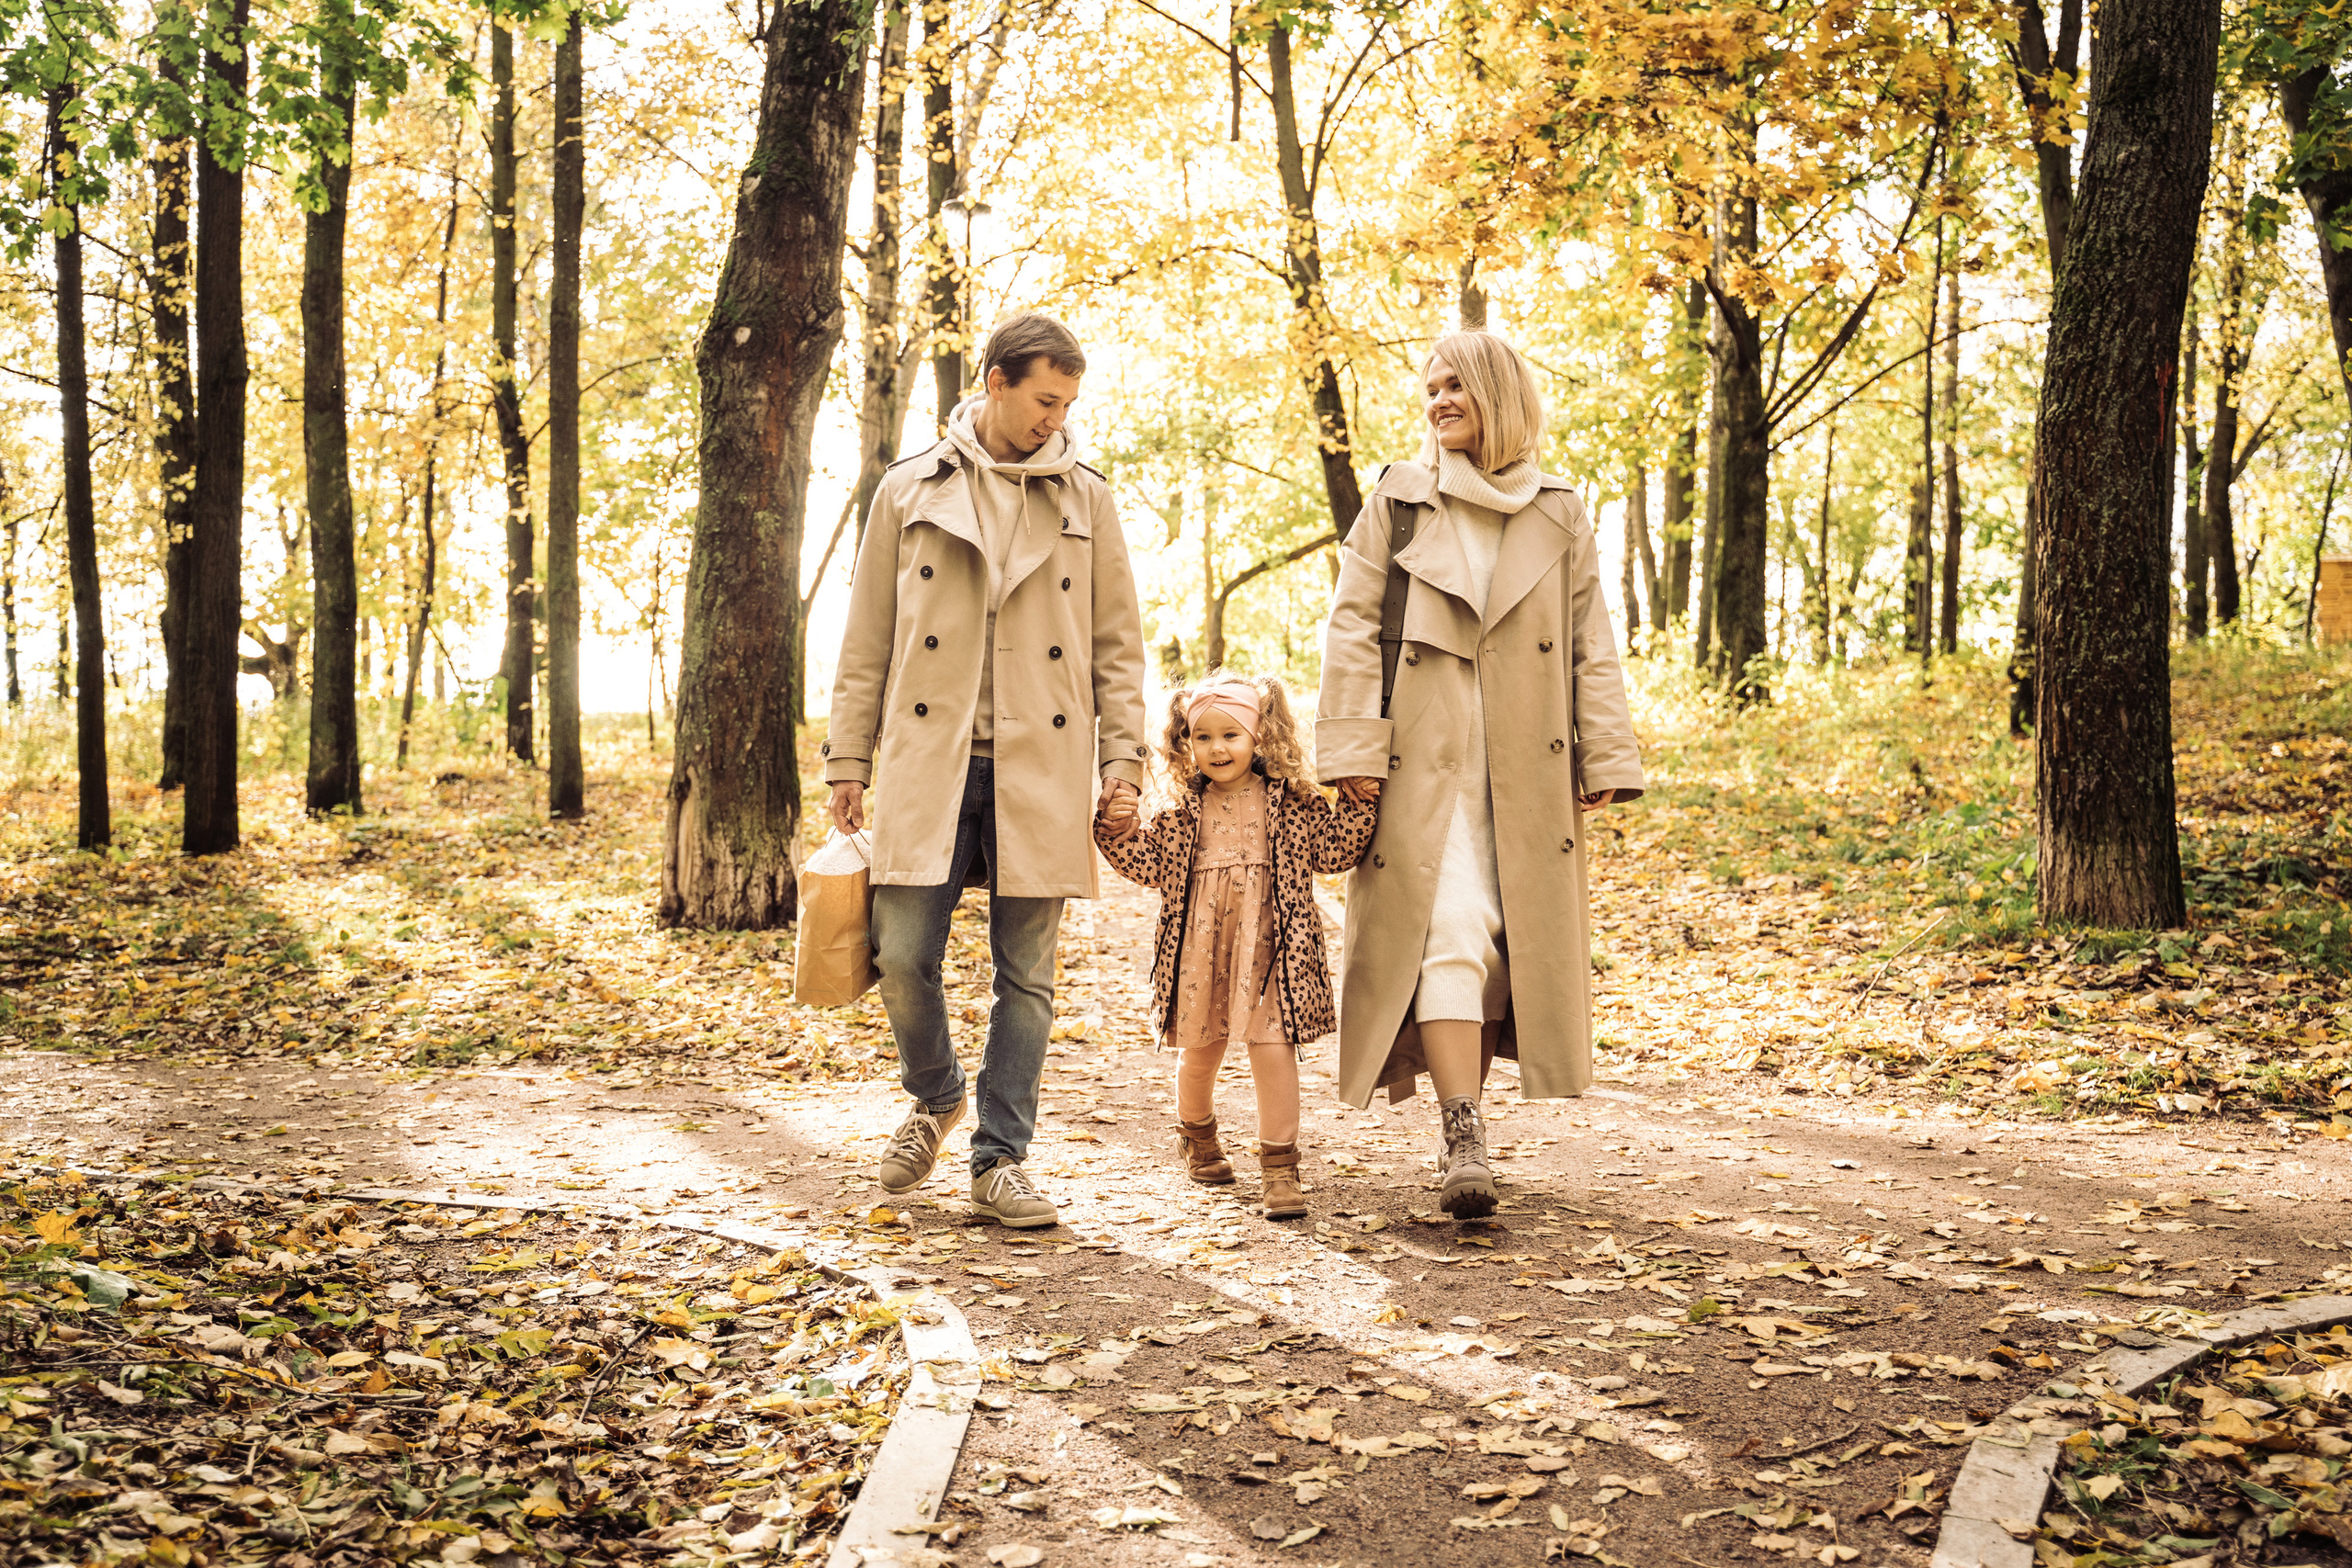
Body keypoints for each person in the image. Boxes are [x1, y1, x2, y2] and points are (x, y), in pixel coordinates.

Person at [825, 310, 1149, 1231]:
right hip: (930, 759)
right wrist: (848, 757)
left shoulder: (1087, 497)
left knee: (1028, 978)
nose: (1057, 417)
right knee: (900, 957)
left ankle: (999, 1162)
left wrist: (1122, 763)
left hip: (1039, 763)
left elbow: (1117, 647)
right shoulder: (906, 488)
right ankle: (935, 1095)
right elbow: (865, 641)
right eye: (1044, 398)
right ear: (996, 382)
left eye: (1068, 403)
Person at [1314, 330, 1645, 1220]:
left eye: (1456, 384)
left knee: (1508, 941)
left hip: (1526, 763)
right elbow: (1349, 628)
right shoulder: (1398, 501)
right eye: (1429, 388)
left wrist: (1604, 751)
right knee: (1447, 928)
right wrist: (1351, 751)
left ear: (1499, 392)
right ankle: (1463, 1129)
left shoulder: (1558, 510)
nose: (1438, 401)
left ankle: (1470, 1110)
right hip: (1422, 763)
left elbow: (1588, 641)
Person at [1093, 672, 1377, 1219]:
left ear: (1259, 737)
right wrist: (1115, 828)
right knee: (1200, 1054)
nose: (1217, 748)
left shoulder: (1294, 803)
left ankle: (1280, 1167)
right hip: (1200, 953)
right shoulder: (1179, 816)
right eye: (1203, 737)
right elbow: (1146, 864)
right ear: (1186, 743)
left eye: (1231, 735)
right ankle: (1196, 1134)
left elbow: (1334, 851)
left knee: (1273, 1051)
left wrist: (1356, 801)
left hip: (1277, 949)